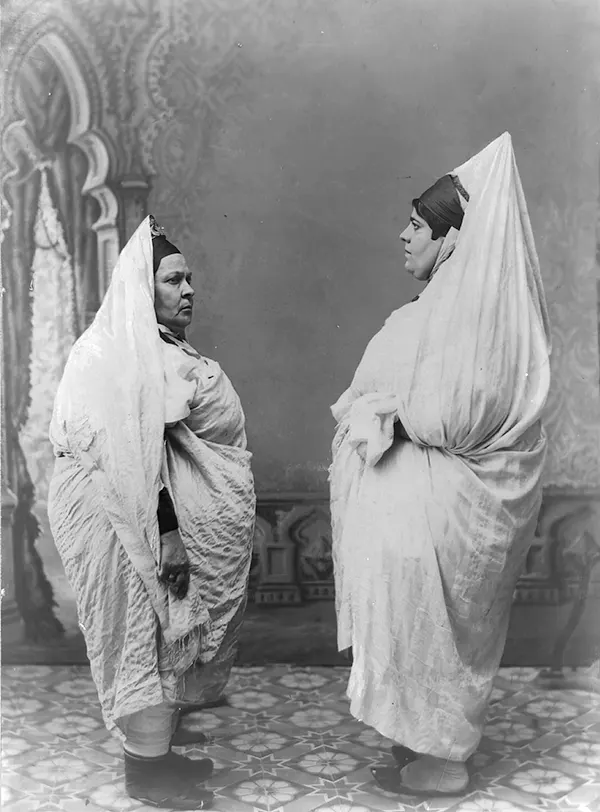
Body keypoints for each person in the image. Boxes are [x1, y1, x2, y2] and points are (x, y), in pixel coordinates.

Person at [329, 133, 551, 797]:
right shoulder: (443, 316)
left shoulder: (477, 324)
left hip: (450, 510)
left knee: (434, 630)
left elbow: (450, 415)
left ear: (453, 240)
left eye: (418, 225)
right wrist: (383, 409)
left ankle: (443, 761)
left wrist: (392, 411)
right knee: (415, 627)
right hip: (428, 509)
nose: (403, 235)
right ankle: (420, 744)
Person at [48, 215, 256, 809]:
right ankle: (146, 771)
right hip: (122, 518)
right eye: (172, 280)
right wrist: (166, 535)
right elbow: (128, 457)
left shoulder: (159, 347)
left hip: (147, 510)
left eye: (190, 280)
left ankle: (156, 752)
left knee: (168, 635)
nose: (188, 291)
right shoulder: (109, 353)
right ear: (142, 288)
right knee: (144, 630)